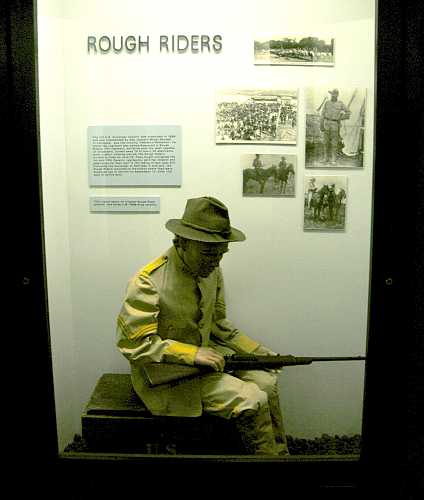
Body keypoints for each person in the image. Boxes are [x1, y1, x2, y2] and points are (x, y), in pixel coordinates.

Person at [116, 196, 289, 455]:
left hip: (206, 363)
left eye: (221, 253)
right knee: (253, 399)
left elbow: (219, 324)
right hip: (165, 377)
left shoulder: (212, 272)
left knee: (266, 381)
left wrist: (257, 352)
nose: (216, 261)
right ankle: (267, 467)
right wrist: (191, 353)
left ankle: (282, 457)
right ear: (180, 242)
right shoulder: (147, 283)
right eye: (209, 252)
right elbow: (134, 345)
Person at [320, 89, 351, 165]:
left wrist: (340, 117)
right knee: (325, 142)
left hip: (335, 125)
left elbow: (348, 112)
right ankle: (325, 158)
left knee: (334, 143)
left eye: (335, 94)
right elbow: (322, 114)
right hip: (326, 123)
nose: (333, 95)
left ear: (337, 95)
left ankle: (333, 159)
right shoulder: (327, 103)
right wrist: (321, 125)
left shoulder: (340, 104)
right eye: (332, 94)